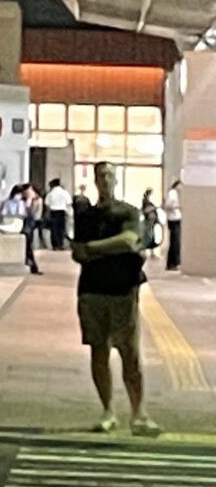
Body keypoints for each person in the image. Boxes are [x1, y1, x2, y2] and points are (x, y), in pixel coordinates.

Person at [71, 160, 160, 436]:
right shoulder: (87, 215)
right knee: (99, 350)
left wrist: (95, 248)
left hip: (123, 290)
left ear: (116, 179)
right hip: (92, 290)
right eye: (101, 175)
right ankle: (108, 410)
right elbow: (77, 252)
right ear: (96, 181)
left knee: (129, 352)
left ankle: (138, 413)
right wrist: (105, 248)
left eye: (109, 175)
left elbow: (128, 240)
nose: (105, 180)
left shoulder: (129, 211)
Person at [1, 185, 40, 275]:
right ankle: (32, 266)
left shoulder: (7, 201)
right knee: (28, 247)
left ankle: (32, 265)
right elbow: (23, 213)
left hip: (17, 225)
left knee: (28, 248)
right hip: (21, 226)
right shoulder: (22, 203)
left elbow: (3, 213)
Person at [45, 177, 72, 250]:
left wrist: (47, 214)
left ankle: (55, 245)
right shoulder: (64, 192)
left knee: (53, 229)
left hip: (53, 212)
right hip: (62, 212)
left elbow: (47, 204)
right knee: (61, 229)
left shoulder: (50, 193)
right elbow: (69, 203)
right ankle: (61, 244)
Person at [165, 179, 184, 272]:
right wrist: (177, 206)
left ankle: (174, 263)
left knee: (176, 242)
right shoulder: (172, 193)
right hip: (173, 219)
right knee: (175, 242)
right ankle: (172, 263)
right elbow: (168, 205)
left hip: (176, 218)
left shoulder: (174, 193)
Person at [141, 190, 162, 260]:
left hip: (152, 221)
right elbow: (145, 210)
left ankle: (152, 252)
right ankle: (145, 251)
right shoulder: (146, 202)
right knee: (148, 236)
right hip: (148, 221)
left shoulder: (149, 203)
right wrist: (154, 208)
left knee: (152, 237)